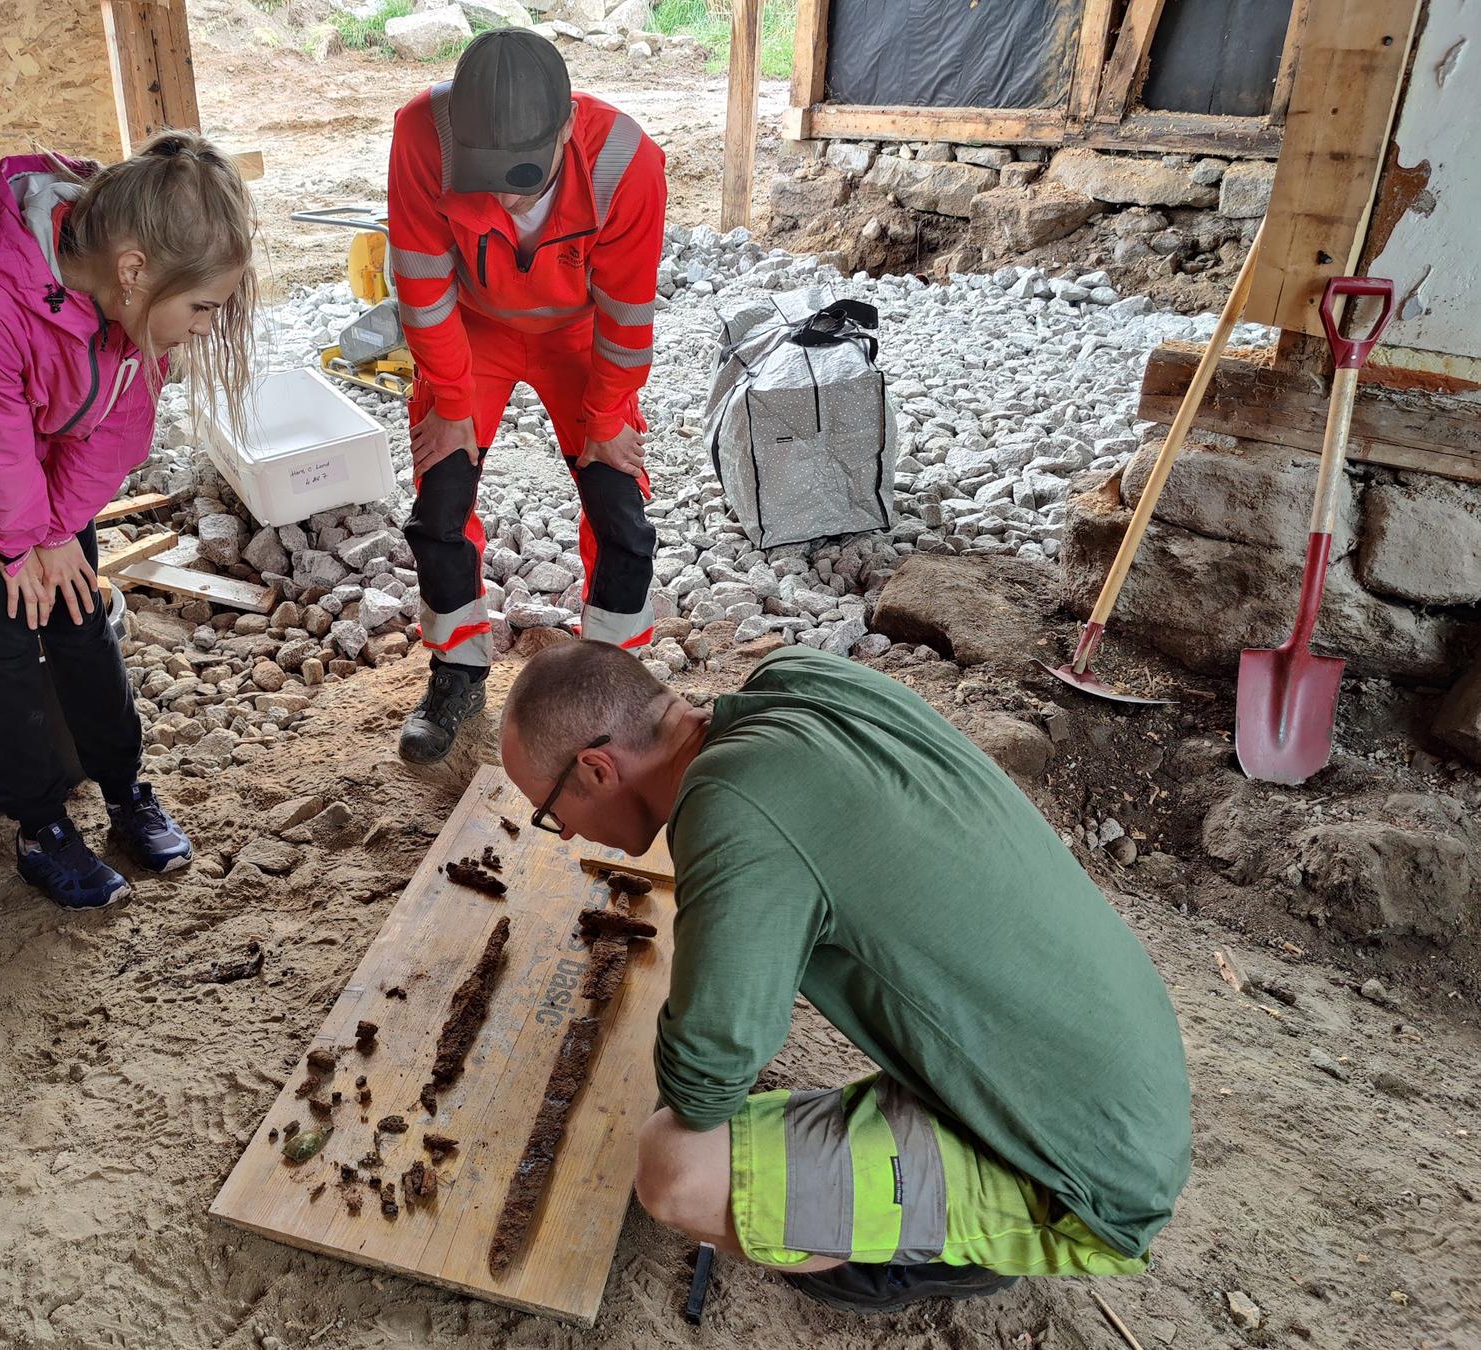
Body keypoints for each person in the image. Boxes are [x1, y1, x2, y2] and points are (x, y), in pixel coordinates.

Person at [500, 642, 1192, 1314]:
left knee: (674, 1165)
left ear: (596, 769)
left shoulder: (730, 805)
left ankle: (935, 1252)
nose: (561, 835)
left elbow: (705, 1082)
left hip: (1090, 1172)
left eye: (551, 812)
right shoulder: (796, 680)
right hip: (1114, 1070)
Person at [0, 131, 260, 909]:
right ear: (135, 271)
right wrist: (22, 542)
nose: (203, 326)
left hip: (18, 400)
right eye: (200, 308)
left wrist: (58, 533)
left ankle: (125, 788)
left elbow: (116, 429)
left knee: (77, 602)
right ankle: (39, 827)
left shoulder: (137, 296)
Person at [386, 28, 667, 763]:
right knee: (439, 503)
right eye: (491, 175)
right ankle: (458, 671)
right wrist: (450, 401)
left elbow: (628, 315)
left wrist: (607, 418)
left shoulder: (625, 163)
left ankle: (612, 684)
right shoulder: (423, 134)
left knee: (621, 513)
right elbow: (421, 284)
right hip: (472, 335)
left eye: (524, 176)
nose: (507, 197)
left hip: (579, 338)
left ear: (567, 124)